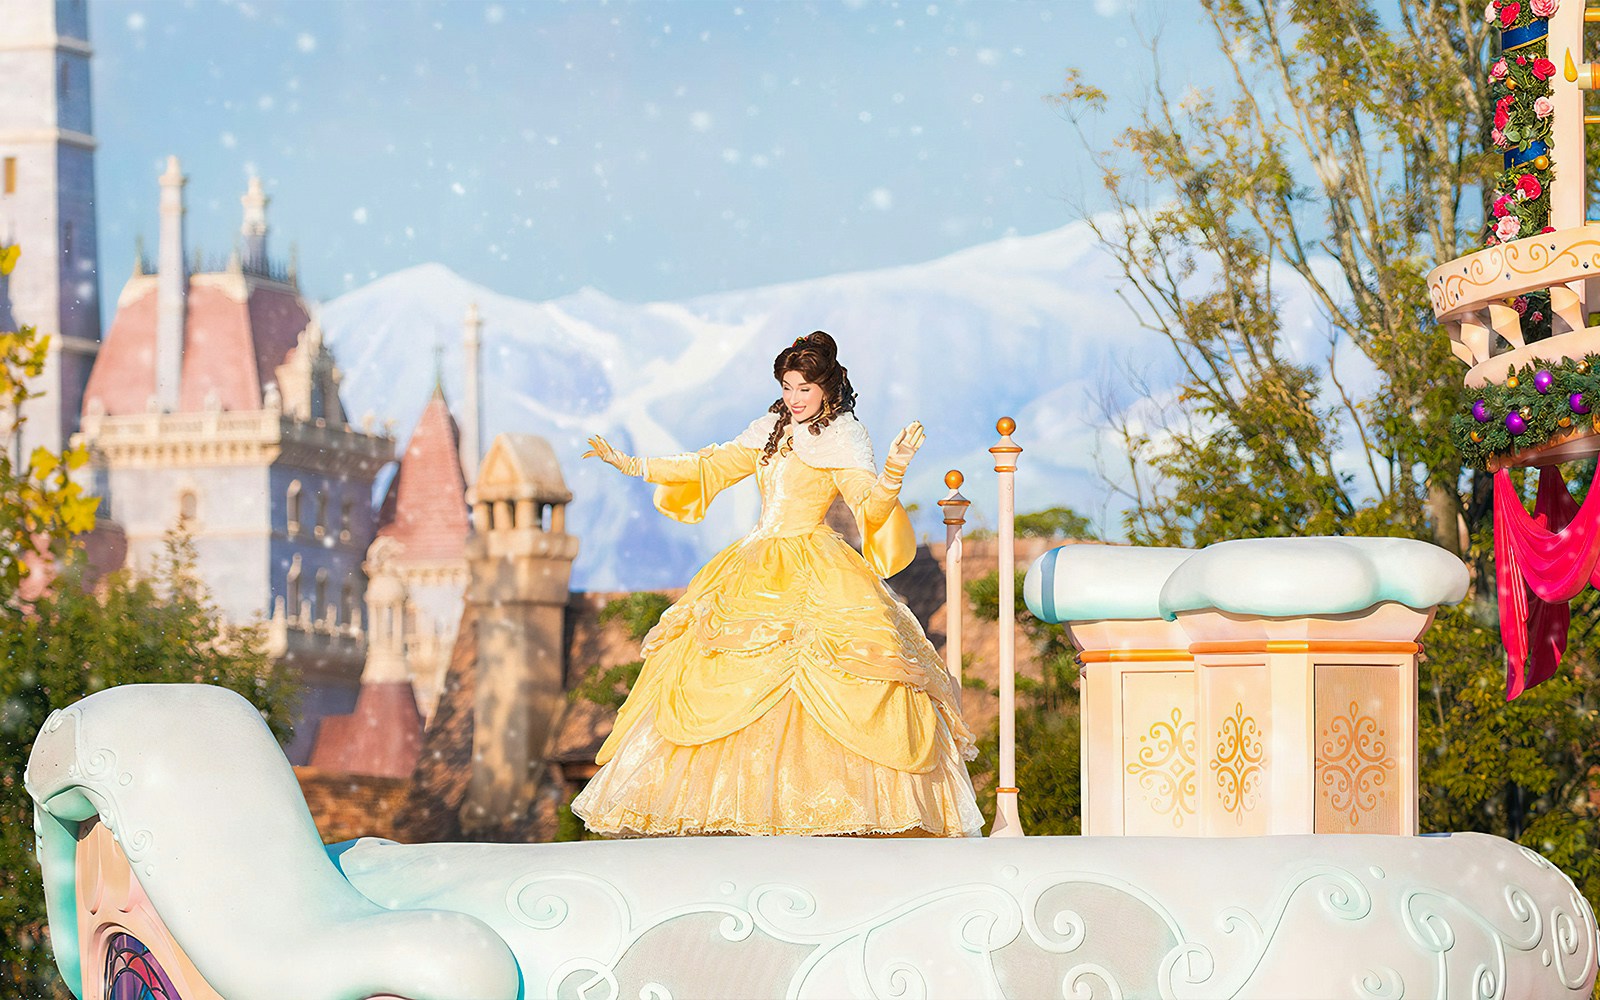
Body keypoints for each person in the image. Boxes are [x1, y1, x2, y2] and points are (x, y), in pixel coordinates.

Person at [571, 331, 982, 837]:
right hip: (753, 565)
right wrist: (632, 464)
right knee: (721, 671)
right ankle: (739, 809)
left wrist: (895, 469)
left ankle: (822, 811)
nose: (794, 398)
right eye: (787, 387)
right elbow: (710, 466)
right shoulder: (771, 429)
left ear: (827, 387)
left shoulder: (843, 436)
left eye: (803, 388)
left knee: (828, 671)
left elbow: (870, 507)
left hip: (817, 566)